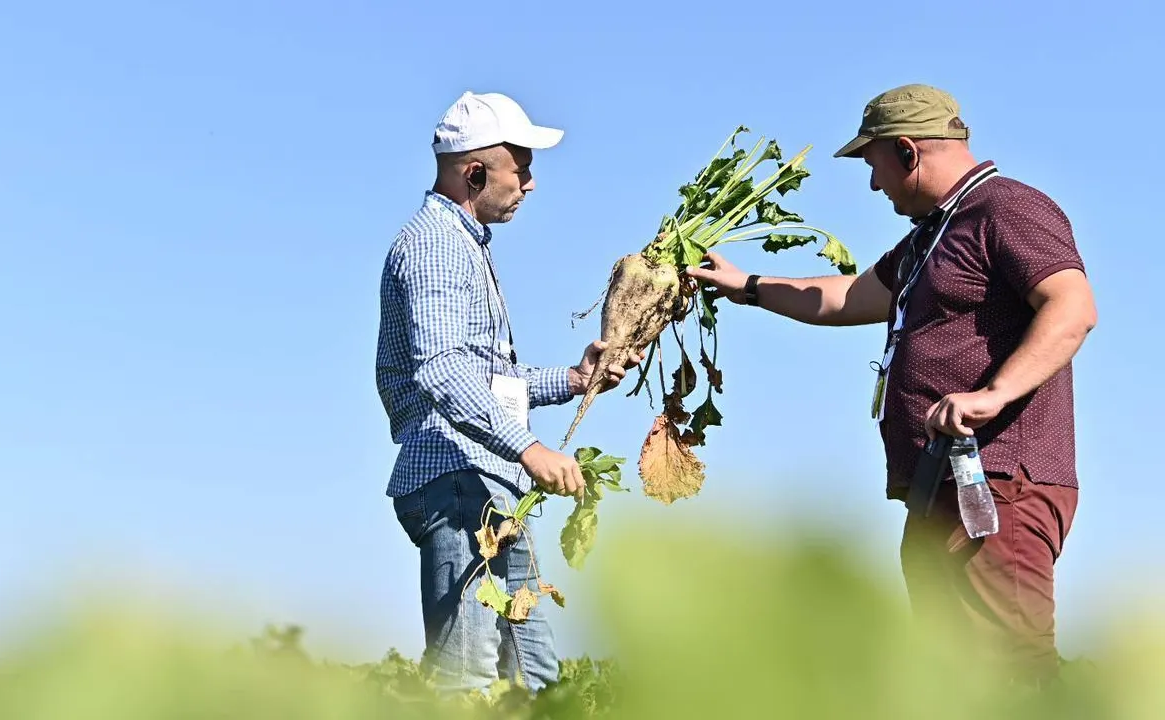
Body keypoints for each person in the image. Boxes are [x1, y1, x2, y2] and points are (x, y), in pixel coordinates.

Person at [686, 83, 1097, 687]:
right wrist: (747, 285)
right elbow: (848, 297)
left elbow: (1072, 305)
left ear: (907, 152)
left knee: (1014, 674)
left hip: (999, 483)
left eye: (874, 164)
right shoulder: (934, 233)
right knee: (952, 679)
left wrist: (995, 393)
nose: (874, 185)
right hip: (941, 485)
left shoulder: (1005, 209)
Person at [375, 90, 643, 694]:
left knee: (534, 678)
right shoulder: (436, 246)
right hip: (457, 481)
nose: (530, 183)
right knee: (465, 681)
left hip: (485, 486)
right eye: (520, 168)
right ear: (475, 173)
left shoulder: (462, 243)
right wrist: (529, 448)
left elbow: (486, 378)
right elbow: (443, 372)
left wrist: (574, 380)